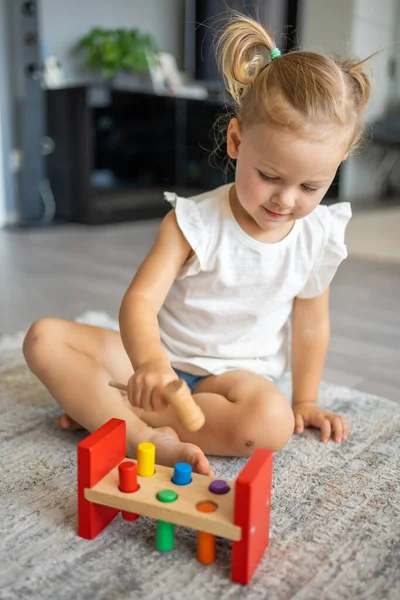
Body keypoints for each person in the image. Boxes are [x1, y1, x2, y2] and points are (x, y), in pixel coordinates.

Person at [23, 14, 372, 477]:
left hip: (235, 382)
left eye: (311, 186)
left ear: (337, 165)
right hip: (158, 362)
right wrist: (149, 367)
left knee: (273, 423)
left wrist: (305, 400)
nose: (285, 200)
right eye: (269, 176)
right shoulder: (193, 222)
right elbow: (140, 302)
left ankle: (113, 416)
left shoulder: (318, 236)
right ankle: (143, 434)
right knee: (44, 339)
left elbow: (310, 325)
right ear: (236, 140)